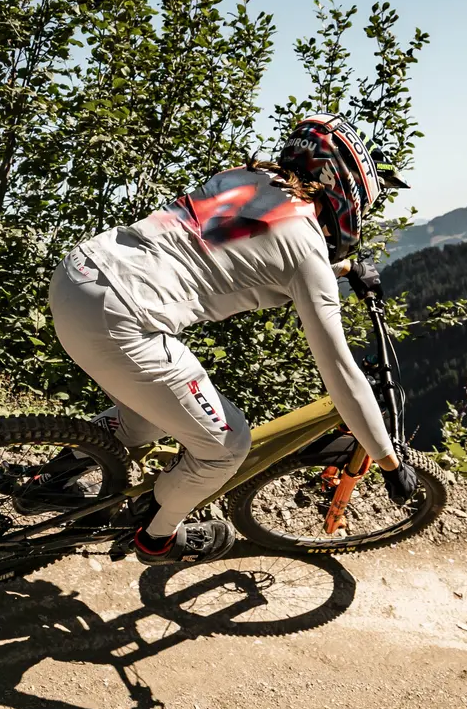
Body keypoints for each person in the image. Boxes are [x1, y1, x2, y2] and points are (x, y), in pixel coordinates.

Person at [39, 113, 414, 565]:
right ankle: (155, 538)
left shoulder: (244, 179)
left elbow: (244, 251)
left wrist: (342, 270)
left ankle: (48, 481)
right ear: (346, 194)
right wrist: (388, 461)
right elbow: (340, 373)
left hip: (81, 273)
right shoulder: (308, 250)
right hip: (121, 317)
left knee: (147, 420)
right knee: (226, 445)